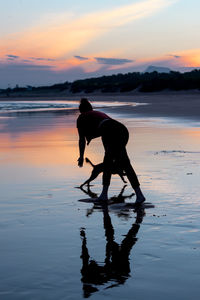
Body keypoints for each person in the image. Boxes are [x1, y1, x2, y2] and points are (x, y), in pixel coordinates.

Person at [77, 98, 145, 203]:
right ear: (91, 108)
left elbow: (82, 140)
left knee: (107, 164)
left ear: (81, 111)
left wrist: (81, 156)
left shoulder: (81, 117)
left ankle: (104, 195)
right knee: (125, 163)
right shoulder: (98, 113)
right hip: (122, 129)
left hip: (109, 131)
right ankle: (139, 195)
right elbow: (102, 127)